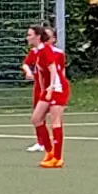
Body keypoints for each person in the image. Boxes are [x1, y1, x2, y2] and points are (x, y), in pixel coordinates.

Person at [36, 26, 70, 168]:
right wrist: (44, 90)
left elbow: (58, 71)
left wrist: (54, 88)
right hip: (48, 89)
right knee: (36, 119)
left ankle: (57, 157)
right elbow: (41, 73)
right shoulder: (39, 51)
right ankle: (49, 151)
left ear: (53, 39)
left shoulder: (57, 53)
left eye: (48, 37)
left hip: (57, 88)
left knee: (55, 120)